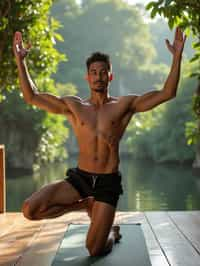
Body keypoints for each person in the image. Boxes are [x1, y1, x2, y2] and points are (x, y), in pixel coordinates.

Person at [13, 28, 186, 256]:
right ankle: (84, 205)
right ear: (87, 77)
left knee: (94, 250)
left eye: (103, 72)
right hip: (80, 179)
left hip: (107, 183)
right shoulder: (74, 107)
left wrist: (177, 57)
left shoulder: (124, 105)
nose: (98, 76)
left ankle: (112, 233)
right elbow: (32, 96)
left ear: (110, 76)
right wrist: (20, 61)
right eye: (93, 72)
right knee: (29, 210)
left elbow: (167, 93)